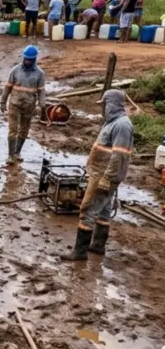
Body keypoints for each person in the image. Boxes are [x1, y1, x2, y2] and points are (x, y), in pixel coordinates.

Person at [61, 90, 133, 261]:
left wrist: (107, 179)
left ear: (112, 104)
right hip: (100, 173)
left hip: (104, 176)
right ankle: (98, 245)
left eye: (105, 105)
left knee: (88, 209)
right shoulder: (113, 122)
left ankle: (79, 252)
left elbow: (118, 156)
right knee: (104, 210)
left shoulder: (121, 125)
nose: (103, 109)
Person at [0, 45, 45, 165]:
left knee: (24, 131)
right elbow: (7, 87)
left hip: (29, 107)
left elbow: (41, 91)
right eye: (26, 59)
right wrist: (3, 102)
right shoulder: (15, 70)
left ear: (34, 59)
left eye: (30, 60)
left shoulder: (40, 74)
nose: (27, 61)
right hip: (14, 105)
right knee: (13, 130)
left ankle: (17, 152)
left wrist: (41, 105)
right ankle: (10, 155)